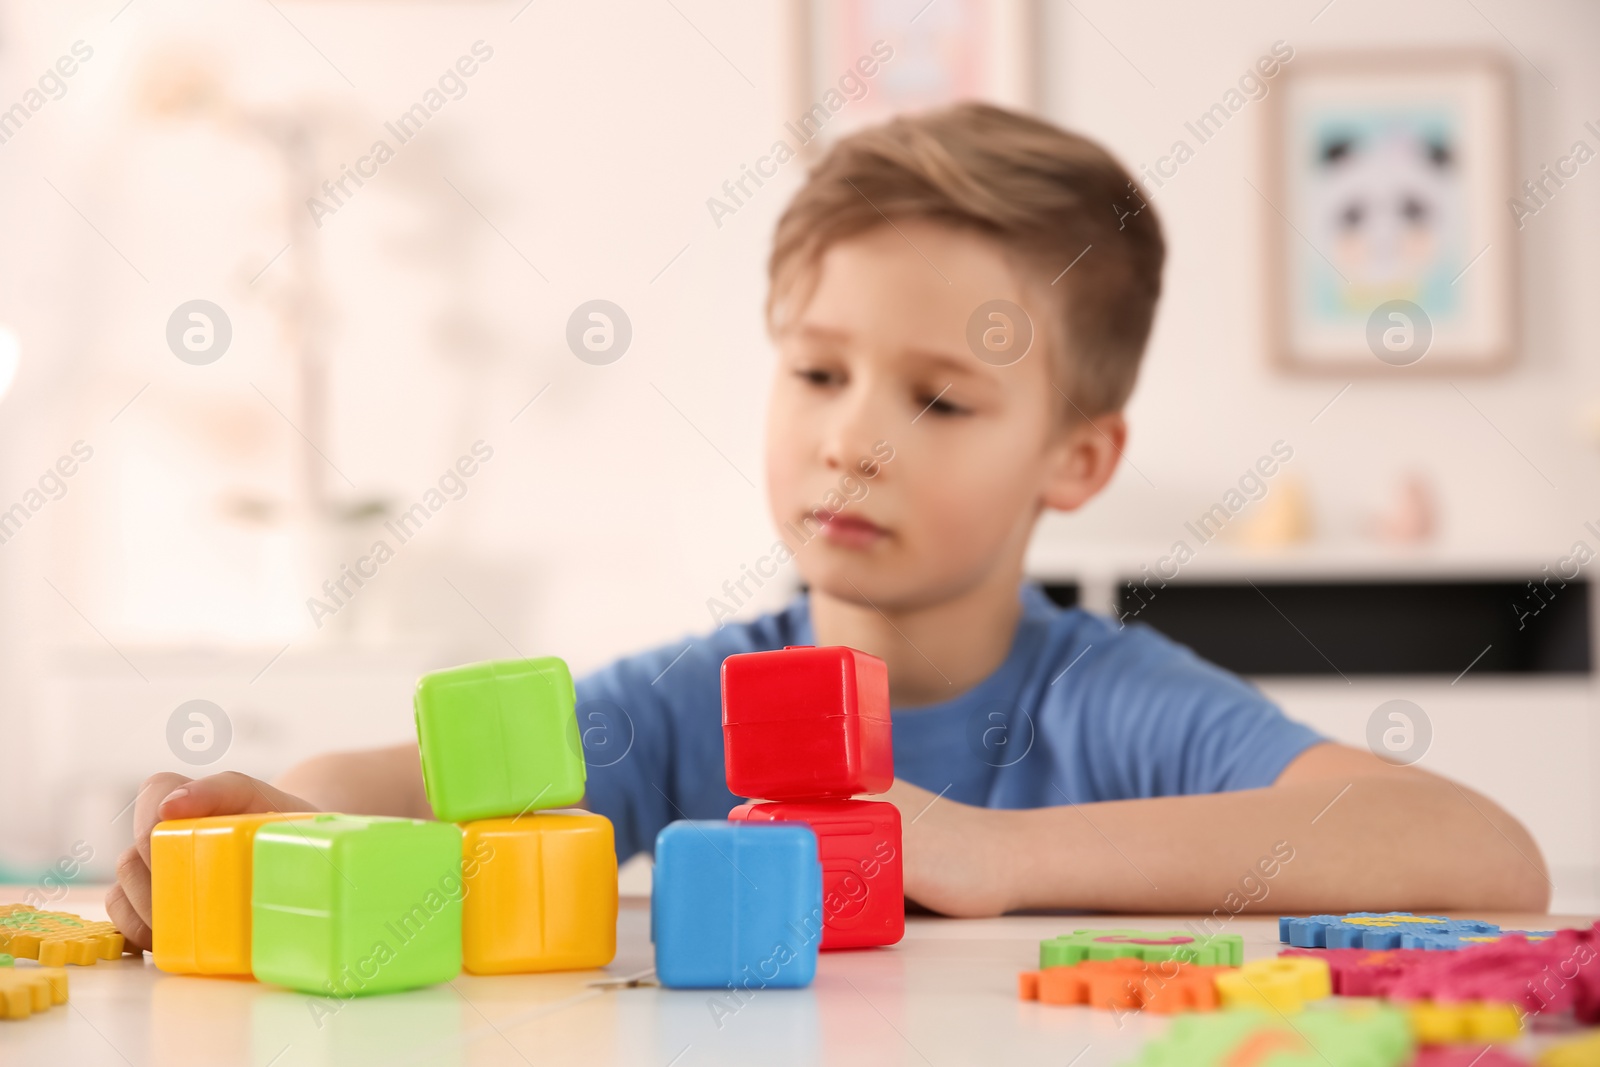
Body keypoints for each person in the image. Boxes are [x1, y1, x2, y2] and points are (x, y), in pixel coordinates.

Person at [107, 103, 1548, 950]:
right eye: (816, 372)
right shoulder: (699, 707)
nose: (852, 439)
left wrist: (984, 855)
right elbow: (389, 777)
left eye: (940, 398)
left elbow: (1481, 853)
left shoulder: (1113, 704)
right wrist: (271, 818)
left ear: (1078, 460)